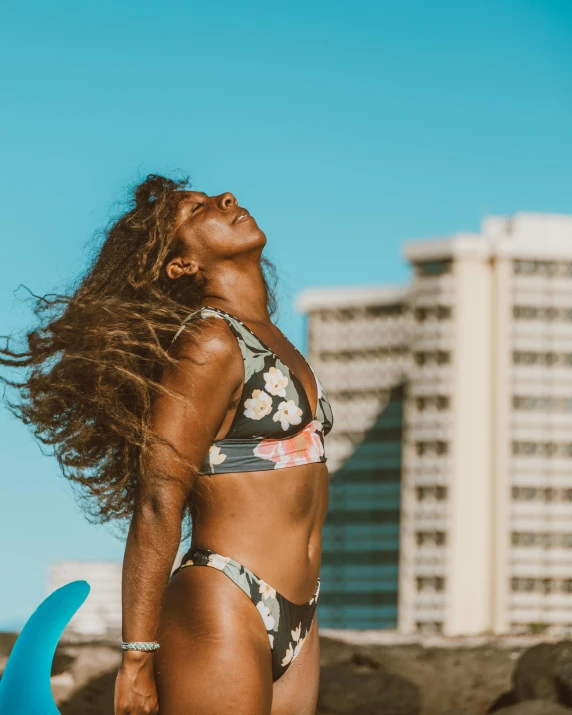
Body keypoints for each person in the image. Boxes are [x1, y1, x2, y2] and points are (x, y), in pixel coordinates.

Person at [0, 173, 334, 715]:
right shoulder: (209, 342)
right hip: (226, 600)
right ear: (182, 265)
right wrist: (135, 658)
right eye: (197, 209)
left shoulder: (275, 340)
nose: (227, 198)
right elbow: (159, 497)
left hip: (302, 606)